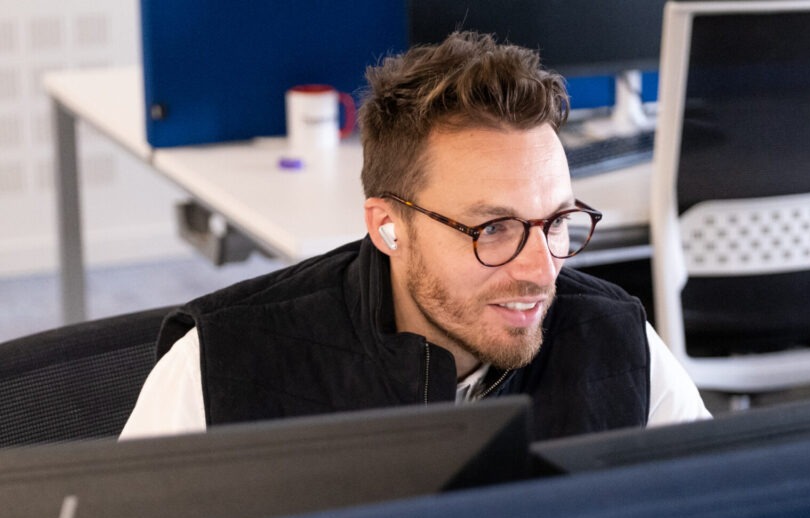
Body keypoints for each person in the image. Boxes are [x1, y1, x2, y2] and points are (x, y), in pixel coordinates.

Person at [121, 31, 709, 441]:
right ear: (387, 226)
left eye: (556, 222)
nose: (541, 270)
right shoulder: (221, 367)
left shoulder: (617, 342)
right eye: (493, 228)